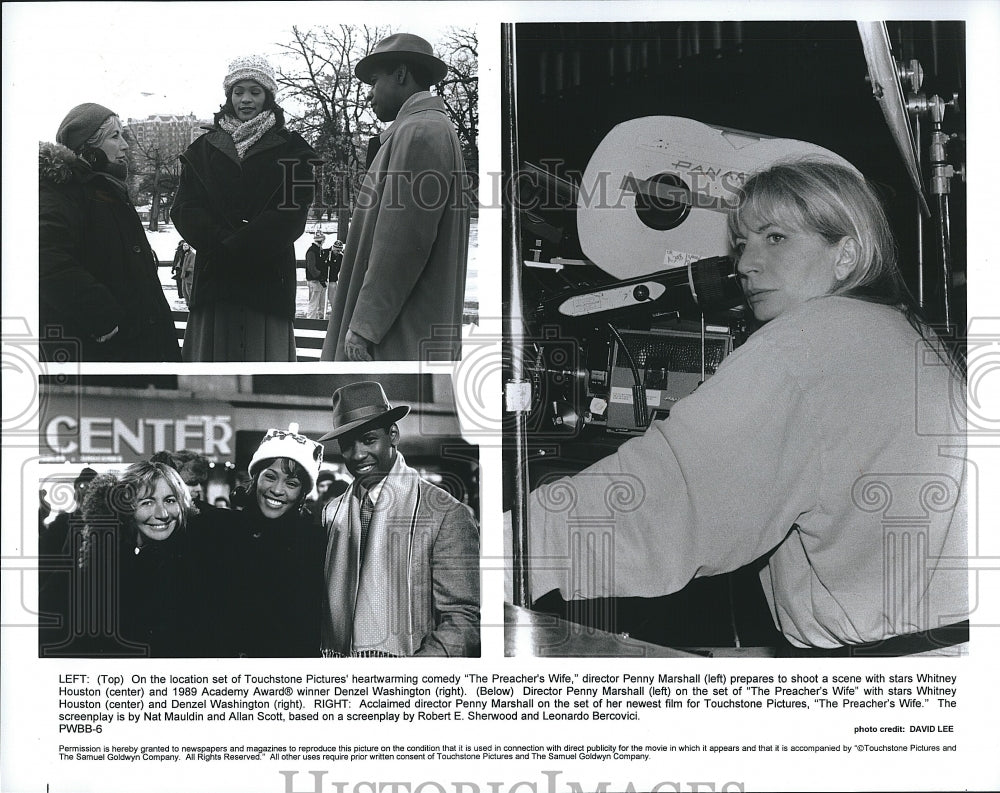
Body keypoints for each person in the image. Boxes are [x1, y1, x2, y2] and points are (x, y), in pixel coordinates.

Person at [507, 158, 968, 656]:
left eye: (776, 238)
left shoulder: (808, 343)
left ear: (846, 254)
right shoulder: (908, 334)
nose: (745, 263)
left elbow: (671, 493)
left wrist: (506, 544)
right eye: (743, 244)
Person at [320, 34, 470, 362]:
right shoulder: (425, 128)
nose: (369, 93)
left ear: (401, 74)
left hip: (395, 338)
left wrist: (364, 326)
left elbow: (399, 243)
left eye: (374, 81)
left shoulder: (418, 133)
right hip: (410, 330)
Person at [171, 54, 318, 361]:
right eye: (238, 91)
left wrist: (239, 244)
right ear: (229, 96)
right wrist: (223, 244)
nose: (246, 99)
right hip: (216, 283)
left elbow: (292, 213)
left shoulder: (293, 149)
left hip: (266, 285)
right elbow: (185, 208)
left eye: (255, 91)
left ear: (268, 97)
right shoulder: (202, 149)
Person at [318, 381, 480, 657]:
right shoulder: (332, 513)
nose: (357, 455)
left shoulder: (446, 513)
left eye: (369, 440)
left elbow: (463, 620)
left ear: (393, 435)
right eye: (347, 444)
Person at [39, 104, 181, 362]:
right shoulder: (62, 191)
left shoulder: (106, 188)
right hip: (107, 350)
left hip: (136, 343)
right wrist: (99, 313)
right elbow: (44, 256)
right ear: (88, 149)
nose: (125, 145)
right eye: (114, 137)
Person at [39, 462, 215, 657]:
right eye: (147, 502)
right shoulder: (91, 556)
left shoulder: (193, 560)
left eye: (170, 500)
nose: (162, 514)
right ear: (126, 506)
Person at [224, 425, 326, 657]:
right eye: (270, 477)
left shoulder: (314, 544)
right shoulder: (220, 528)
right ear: (255, 477)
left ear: (302, 494)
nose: (278, 490)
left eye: (291, 483)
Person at [305, 231, 330, 319]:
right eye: (323, 240)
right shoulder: (312, 251)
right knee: (314, 303)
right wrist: (320, 276)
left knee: (320, 303)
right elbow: (311, 267)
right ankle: (310, 320)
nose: (324, 242)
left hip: (318, 280)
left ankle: (319, 318)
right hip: (315, 281)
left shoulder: (318, 250)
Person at [326, 238, 345, 318]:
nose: (337, 252)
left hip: (333, 280)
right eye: (336, 250)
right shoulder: (327, 253)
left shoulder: (341, 257)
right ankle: (322, 312)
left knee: (333, 297)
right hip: (326, 279)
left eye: (339, 251)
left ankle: (335, 312)